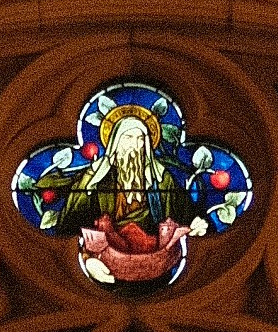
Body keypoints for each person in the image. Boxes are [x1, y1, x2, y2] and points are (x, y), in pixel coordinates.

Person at [46, 100, 188, 289]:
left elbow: (186, 213)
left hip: (157, 265)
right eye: (129, 137)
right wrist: (88, 258)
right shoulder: (97, 178)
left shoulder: (161, 178)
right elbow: (70, 225)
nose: (135, 145)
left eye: (141, 139)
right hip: (105, 261)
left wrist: (198, 223)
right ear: (115, 141)